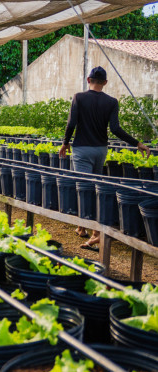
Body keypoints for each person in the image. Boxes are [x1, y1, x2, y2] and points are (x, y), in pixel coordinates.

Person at [59, 66, 149, 251]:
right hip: (100, 150)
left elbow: (71, 123)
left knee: (85, 189)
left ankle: (96, 233)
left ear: (88, 79)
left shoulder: (79, 97)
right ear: (105, 82)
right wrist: (137, 143)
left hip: (82, 150)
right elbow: (115, 129)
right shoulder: (112, 102)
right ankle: (81, 227)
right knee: (94, 187)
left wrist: (65, 142)